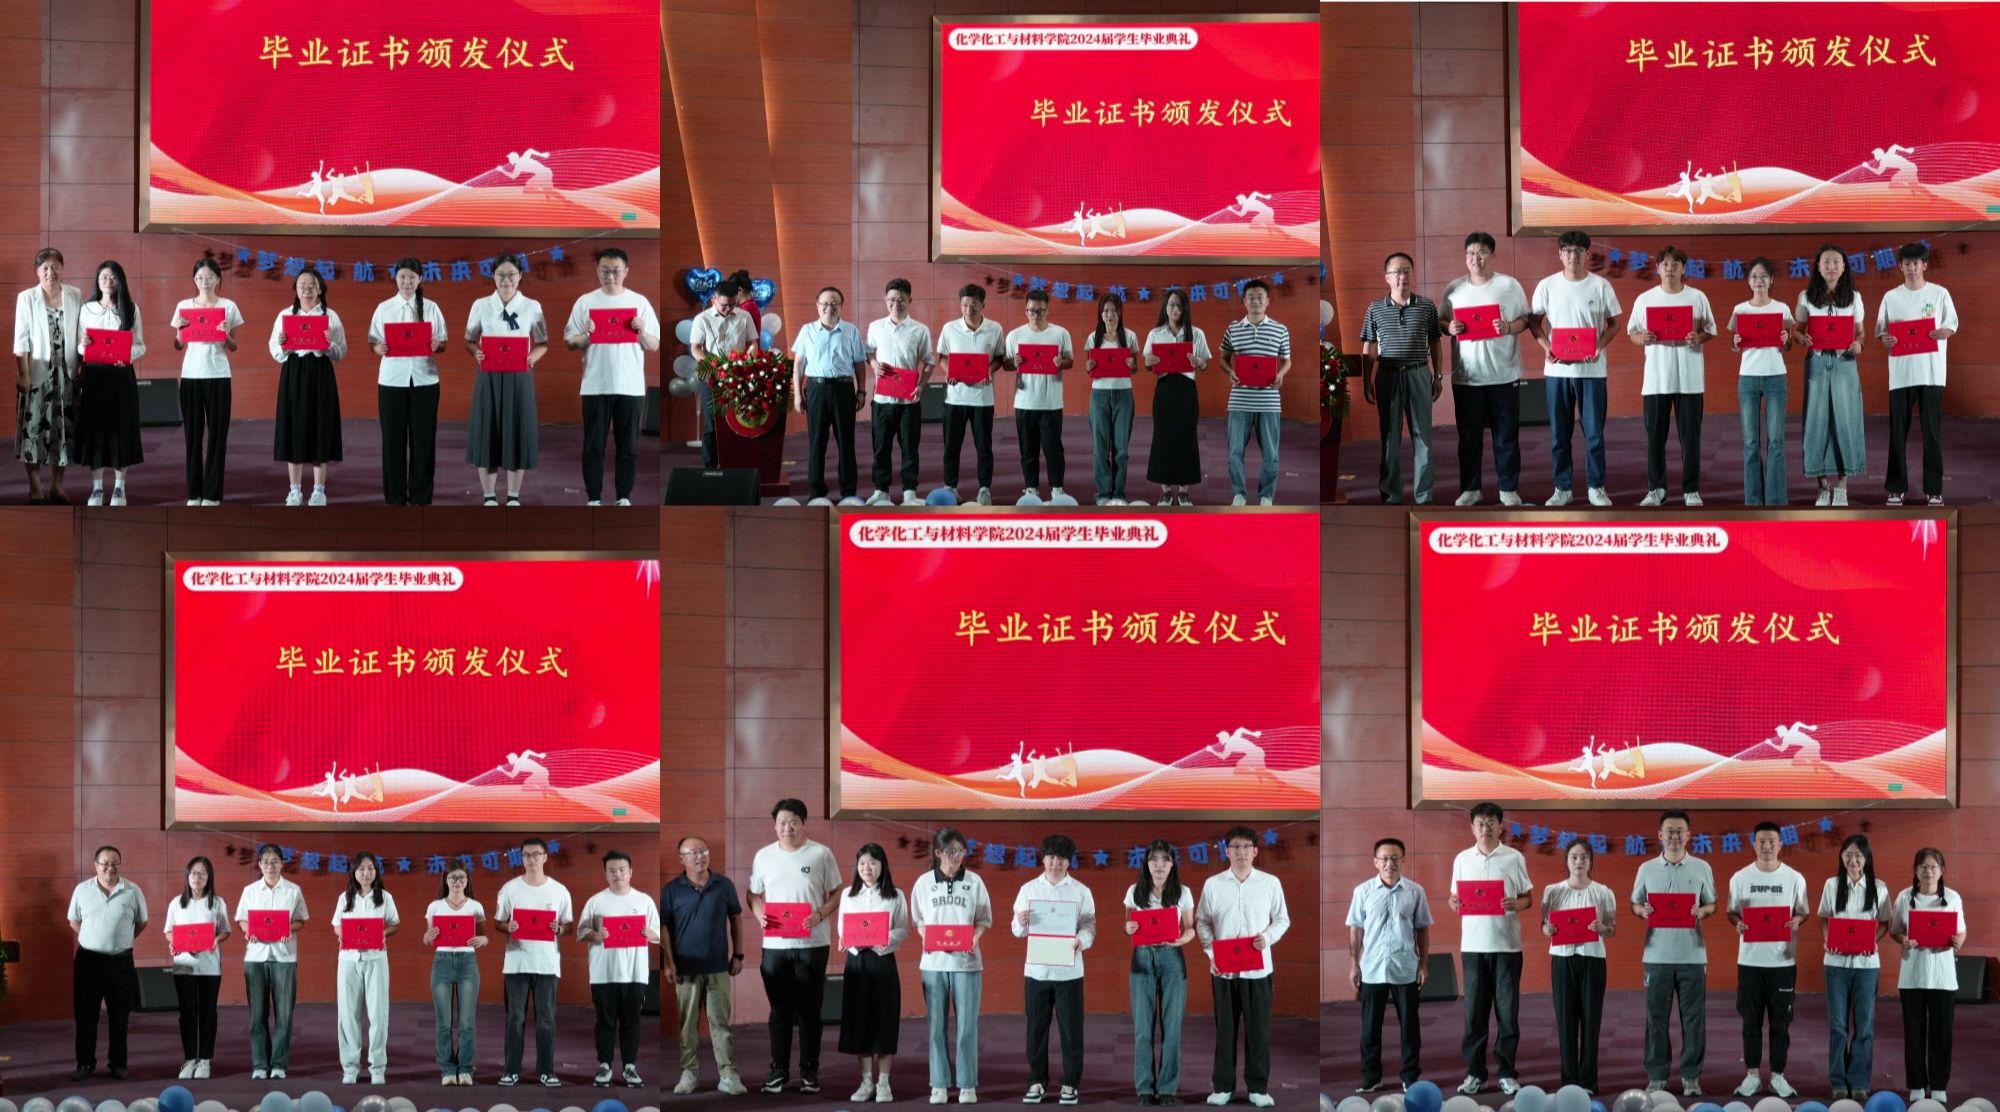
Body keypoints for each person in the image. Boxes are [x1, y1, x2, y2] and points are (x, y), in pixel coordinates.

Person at [749, 798, 844, 1095]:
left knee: (809, 1011)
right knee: (779, 1010)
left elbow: (837, 892)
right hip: (775, 946)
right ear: (774, 825)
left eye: (792, 822)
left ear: (803, 823)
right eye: (781, 822)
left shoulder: (821, 853)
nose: (786, 828)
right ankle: (778, 1071)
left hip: (813, 945)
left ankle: (809, 1072)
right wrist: (760, 915)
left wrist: (819, 915)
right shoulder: (763, 856)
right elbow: (752, 894)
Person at [1197, 827, 1290, 1108]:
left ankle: (1258, 1088)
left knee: (1258, 1030)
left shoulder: (1270, 883)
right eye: (1235, 847)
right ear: (1226, 851)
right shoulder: (1213, 884)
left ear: (1255, 851)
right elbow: (1202, 922)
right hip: (1223, 970)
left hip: (1258, 971)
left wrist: (1268, 938)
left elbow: (1282, 919)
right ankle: (1223, 1087)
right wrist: (1212, 954)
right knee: (1224, 1030)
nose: (1241, 852)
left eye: (1246, 847)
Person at [1529, 231, 1622, 507]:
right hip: (1557, 373)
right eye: (1568, 251)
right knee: (1559, 435)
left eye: (1579, 251)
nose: (1573, 256)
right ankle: (1562, 488)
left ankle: (1596, 487)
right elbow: (1534, 322)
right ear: (1560, 254)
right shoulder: (1547, 286)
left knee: (1594, 434)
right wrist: (1546, 347)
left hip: (1592, 372)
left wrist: (1599, 347)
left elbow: (1615, 324)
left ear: (1587, 254)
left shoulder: (1601, 286)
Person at [1447, 803, 1533, 1097]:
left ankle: (1507, 1073)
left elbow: (1528, 898)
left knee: (1507, 1014)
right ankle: (1476, 1073)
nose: (1485, 828)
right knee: (1474, 1014)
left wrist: (1515, 904)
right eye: (1480, 824)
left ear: (1500, 826)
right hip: (1472, 946)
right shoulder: (1462, 859)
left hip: (1507, 946)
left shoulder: (1514, 858)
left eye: (1491, 823)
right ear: (1472, 828)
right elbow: (1454, 897)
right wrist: (1453, 903)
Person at [564, 247, 661, 505]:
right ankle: (594, 498)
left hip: (630, 387)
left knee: (628, 446)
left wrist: (641, 330)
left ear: (626, 271)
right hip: (594, 385)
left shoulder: (640, 302)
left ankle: (623, 496)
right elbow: (570, 342)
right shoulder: (585, 302)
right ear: (597, 271)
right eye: (605, 271)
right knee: (593, 446)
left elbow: (653, 345)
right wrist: (586, 334)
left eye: (616, 271)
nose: (610, 276)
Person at [1631, 809, 1718, 1097]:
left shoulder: (1702, 867)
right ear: (1660, 835)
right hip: (1656, 956)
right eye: (1669, 831)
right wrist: (1642, 911)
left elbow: (1712, 904)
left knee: (1693, 1018)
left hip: (1692, 955)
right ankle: (1657, 1075)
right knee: (1656, 1018)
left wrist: (1701, 911)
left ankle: (1691, 1075)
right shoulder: (1646, 869)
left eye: (1680, 831)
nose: (1674, 836)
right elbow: (1634, 904)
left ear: (1688, 835)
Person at [1441, 232, 1532, 506]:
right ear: (1465, 257)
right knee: (1469, 437)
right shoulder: (1454, 289)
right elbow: (1441, 322)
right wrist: (1449, 327)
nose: (1475, 259)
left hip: (1504, 374)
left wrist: (1508, 327)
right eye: (1471, 253)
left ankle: (1508, 489)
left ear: (1492, 255)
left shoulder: (1509, 285)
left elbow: (1525, 320)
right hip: (1467, 378)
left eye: (1481, 253)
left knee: (1506, 436)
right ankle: (1471, 489)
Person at [1626, 246, 1716, 507]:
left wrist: (1698, 337)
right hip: (1656, 380)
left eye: (1675, 264)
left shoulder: (1697, 297)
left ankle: (1691, 490)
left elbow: (1710, 330)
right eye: (1665, 264)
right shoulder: (1645, 299)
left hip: (1690, 379)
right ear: (1657, 268)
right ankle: (1656, 489)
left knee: (1691, 439)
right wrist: (1642, 337)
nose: (1670, 269)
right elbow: (1632, 333)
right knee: (1655, 438)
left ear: (1684, 268)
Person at [1726, 822, 1810, 1099]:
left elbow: (1803, 911)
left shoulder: (1795, 878)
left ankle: (1778, 1076)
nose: (1766, 846)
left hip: (1782, 962)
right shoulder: (1740, 877)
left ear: (1780, 844)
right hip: (1750, 961)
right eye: (1761, 841)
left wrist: (1797, 920)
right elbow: (1732, 912)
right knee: (1750, 1020)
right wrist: (1737, 923)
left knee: (1780, 1022)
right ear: (1754, 844)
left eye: (1772, 841)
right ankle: (1752, 1075)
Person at [1011, 833, 1095, 1105]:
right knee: (1036, 1030)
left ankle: (1070, 1083)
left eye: (1061, 858)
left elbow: (1089, 925)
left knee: (1072, 1031)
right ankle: (1036, 1081)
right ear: (1043, 859)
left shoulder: (1081, 891)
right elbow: (1016, 930)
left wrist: (1081, 940)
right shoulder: (1028, 890)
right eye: (1051, 857)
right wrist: (1021, 921)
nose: (1055, 863)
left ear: (1069, 861)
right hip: (1037, 971)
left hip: (1069, 972)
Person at [910, 827, 991, 1104]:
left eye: (960, 851)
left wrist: (975, 938)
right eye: (950, 852)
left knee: (967, 1026)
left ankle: (967, 1084)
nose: (956, 856)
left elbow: (983, 919)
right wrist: (927, 937)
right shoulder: (923, 883)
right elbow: (919, 920)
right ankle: (939, 1084)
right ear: (938, 853)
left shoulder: (975, 881)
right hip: (934, 963)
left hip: (967, 963)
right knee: (936, 1026)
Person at [663, 836, 748, 1096]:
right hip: (685, 969)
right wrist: (669, 963)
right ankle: (689, 1074)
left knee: (721, 1023)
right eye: (693, 852)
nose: (700, 856)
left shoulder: (724, 885)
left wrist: (738, 955)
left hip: (718, 967)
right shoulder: (671, 890)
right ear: (682, 859)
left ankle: (728, 1074)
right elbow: (664, 928)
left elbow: (736, 919)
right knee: (687, 1025)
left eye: (703, 851)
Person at [1877, 241, 1959, 505]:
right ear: (1900, 266)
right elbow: (1881, 332)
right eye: (1907, 263)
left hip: (1931, 374)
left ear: (1925, 265)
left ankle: (1934, 489)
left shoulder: (1939, 294)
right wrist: (1885, 339)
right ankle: (1895, 487)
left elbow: (1952, 325)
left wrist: (1945, 332)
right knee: (1897, 434)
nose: (1911, 268)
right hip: (1901, 375)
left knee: (1932, 433)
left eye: (1916, 263)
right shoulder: (1891, 297)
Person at [1347, 837, 1431, 1094]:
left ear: (1403, 860)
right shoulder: (1362, 891)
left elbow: (1422, 929)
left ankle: (1410, 1077)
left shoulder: (1416, 891)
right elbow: (1355, 930)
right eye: (1384, 858)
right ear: (1375, 862)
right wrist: (1354, 964)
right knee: (1370, 1028)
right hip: (1372, 968)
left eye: (1395, 858)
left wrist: (1423, 964)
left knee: (1410, 1027)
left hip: (1405, 967)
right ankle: (1371, 1077)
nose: (1389, 863)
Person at [463, 253, 548, 505]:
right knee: (487, 430)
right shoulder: (481, 305)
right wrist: (475, 352)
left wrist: (532, 357)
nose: (506, 279)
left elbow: (543, 342)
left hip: (519, 377)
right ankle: (489, 495)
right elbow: (469, 340)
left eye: (511, 274)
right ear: (493, 276)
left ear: (520, 276)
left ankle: (513, 495)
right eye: (501, 274)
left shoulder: (532, 306)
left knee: (517, 430)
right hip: (488, 376)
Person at [1360, 252, 1444, 506]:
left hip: (1419, 374)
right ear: (1387, 277)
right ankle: (1390, 496)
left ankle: (1424, 496)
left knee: (1423, 439)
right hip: (1387, 376)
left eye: (1406, 270)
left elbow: (1436, 342)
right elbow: (1369, 347)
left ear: (1412, 274)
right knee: (1390, 439)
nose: (1402, 276)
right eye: (1396, 271)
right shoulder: (1375, 308)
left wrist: (1438, 376)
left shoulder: (1427, 306)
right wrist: (1366, 381)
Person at [496, 836, 575, 1087]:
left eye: (536, 854)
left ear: (545, 857)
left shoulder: (559, 890)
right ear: (521, 858)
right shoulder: (510, 888)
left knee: (546, 1021)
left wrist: (559, 929)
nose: (531, 859)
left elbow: (569, 925)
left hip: (547, 964)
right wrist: (508, 926)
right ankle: (511, 1070)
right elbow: (498, 922)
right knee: (514, 1020)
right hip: (516, 963)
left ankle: (547, 1070)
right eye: (527, 855)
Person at [1889, 847, 1967, 1104]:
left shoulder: (1953, 898)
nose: (1928, 871)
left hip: (1943, 977)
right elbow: (1895, 930)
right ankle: (1916, 1083)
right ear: (1916, 870)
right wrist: (1904, 940)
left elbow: (1961, 930)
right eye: (1923, 866)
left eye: (1933, 867)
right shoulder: (1904, 897)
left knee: (1942, 1034)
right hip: (1912, 975)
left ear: (1941, 871)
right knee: (1914, 1033)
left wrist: (1959, 941)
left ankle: (1940, 1084)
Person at [367, 258, 447, 505]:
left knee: (424, 442)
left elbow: (443, 342)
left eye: (412, 277)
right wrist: (378, 348)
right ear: (396, 278)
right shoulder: (384, 308)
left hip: (425, 381)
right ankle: (395, 496)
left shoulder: (431, 308)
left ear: (420, 279)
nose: (407, 282)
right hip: (392, 381)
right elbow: (373, 342)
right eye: (402, 276)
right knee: (393, 442)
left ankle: (421, 497)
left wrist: (436, 345)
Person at [580, 849, 662, 1088]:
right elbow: (582, 932)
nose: (618, 874)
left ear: (631, 872)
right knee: (604, 1021)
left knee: (631, 1021)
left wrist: (649, 933)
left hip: (635, 974)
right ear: (605, 874)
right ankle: (604, 1065)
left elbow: (657, 933)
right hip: (603, 973)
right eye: (612, 870)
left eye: (622, 870)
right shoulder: (595, 902)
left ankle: (629, 1067)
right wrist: (596, 934)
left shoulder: (644, 901)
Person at [1793, 245, 1867, 507]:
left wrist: (1859, 344)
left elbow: (1861, 333)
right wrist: (1802, 338)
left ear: (1844, 267)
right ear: (1818, 266)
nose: (1831, 266)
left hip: (1844, 361)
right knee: (1817, 422)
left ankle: (1842, 487)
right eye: (1826, 262)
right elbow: (1796, 330)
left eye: (1836, 262)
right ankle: (1823, 487)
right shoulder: (1806, 296)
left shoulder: (1854, 297)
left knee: (1846, 421)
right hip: (1817, 361)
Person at [67, 845, 148, 1082]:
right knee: (85, 1016)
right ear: (96, 865)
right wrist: (94, 939)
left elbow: (142, 922)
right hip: (88, 962)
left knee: (119, 1016)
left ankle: (118, 1065)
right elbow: (73, 921)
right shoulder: (82, 890)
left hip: (120, 962)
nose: (110, 868)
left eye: (115, 863)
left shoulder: (132, 890)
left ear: (120, 865)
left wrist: (120, 940)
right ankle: (85, 1063)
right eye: (105, 863)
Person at [1541, 841, 1616, 1094]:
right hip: (1562, 959)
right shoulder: (1553, 891)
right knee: (1565, 1021)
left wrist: (1602, 928)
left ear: (1591, 861)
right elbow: (1544, 925)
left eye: (1584, 857)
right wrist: (1548, 929)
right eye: (1574, 857)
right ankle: (1569, 1081)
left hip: (1593, 959)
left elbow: (1611, 928)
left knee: (1591, 1021)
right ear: (1567, 861)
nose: (1579, 862)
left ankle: (1588, 1081)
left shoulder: (1603, 892)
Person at [1819, 834, 1890, 1102]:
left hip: (1866, 966)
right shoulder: (1832, 885)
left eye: (1858, 855)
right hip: (1836, 965)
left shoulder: (1879, 887)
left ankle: (1859, 1081)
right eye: (1848, 855)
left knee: (1864, 1027)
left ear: (1866, 858)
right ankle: (1838, 1082)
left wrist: (1873, 941)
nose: (1853, 860)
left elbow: (1885, 922)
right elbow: (1824, 918)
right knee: (1838, 1026)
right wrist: (1828, 939)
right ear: (1841, 857)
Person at [168, 259, 245, 505]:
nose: (205, 281)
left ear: (218, 280)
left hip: (219, 376)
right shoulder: (184, 306)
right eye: (200, 277)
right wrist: (180, 332)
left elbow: (234, 346)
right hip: (191, 376)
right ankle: (194, 493)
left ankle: (212, 494)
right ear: (194, 280)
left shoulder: (228, 306)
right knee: (192, 437)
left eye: (210, 277)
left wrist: (225, 334)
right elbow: (177, 345)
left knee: (217, 437)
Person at [1124, 840, 1195, 1105]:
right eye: (1154, 859)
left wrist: (1182, 938)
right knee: (1143, 1028)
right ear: (1147, 863)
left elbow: (1190, 928)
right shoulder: (1134, 891)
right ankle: (1144, 1087)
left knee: (1172, 1027)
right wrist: (1128, 929)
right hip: (1142, 957)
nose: (1159, 865)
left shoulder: (1183, 892)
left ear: (1172, 863)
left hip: (1172, 958)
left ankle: (1167, 1088)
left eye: (1165, 859)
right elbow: (1128, 926)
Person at [839, 843, 911, 1102]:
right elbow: (842, 928)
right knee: (859, 1020)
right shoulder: (848, 894)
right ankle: (866, 1082)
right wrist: (847, 939)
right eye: (862, 863)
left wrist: (887, 937)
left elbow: (903, 929)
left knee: (884, 1020)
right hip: (857, 963)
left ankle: (884, 1083)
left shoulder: (895, 895)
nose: (867, 868)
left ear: (882, 865)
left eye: (872, 863)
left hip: (883, 961)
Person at [270, 270, 346, 505]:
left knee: (320, 429)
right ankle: (294, 490)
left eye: (311, 285)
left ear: (320, 289)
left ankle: (319, 491)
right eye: (302, 284)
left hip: (321, 374)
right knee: (294, 428)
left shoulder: (330, 316)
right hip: (294, 373)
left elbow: (341, 352)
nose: (306, 289)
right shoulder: (285, 315)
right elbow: (274, 351)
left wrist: (329, 344)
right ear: (296, 289)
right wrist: (283, 346)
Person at [14, 247, 83, 503]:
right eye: (45, 268)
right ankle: (35, 485)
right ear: (37, 271)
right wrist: (23, 374)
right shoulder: (27, 298)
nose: (50, 272)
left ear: (62, 269)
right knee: (34, 430)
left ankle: (57, 485)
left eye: (55, 267)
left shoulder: (74, 295)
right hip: (37, 374)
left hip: (66, 374)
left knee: (62, 431)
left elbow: (82, 334)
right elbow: (21, 340)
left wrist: (82, 368)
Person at [74, 259, 145, 505]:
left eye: (113, 277)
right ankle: (96, 489)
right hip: (94, 377)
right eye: (104, 277)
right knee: (95, 430)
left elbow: (140, 345)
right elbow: (79, 346)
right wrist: (84, 344)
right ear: (97, 280)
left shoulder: (131, 309)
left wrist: (126, 356)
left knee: (120, 430)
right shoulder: (87, 309)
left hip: (121, 376)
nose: (108, 281)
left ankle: (119, 488)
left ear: (120, 281)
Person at [1726, 258, 1794, 506]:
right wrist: (1735, 344)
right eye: (1754, 276)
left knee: (1776, 441)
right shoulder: (1740, 310)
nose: (1759, 281)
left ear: (1771, 279)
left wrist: (1786, 339)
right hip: (1748, 378)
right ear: (1748, 281)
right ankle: (1753, 501)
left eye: (1764, 276)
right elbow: (1734, 345)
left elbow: (1788, 346)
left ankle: (1776, 500)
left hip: (1776, 376)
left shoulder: (1782, 309)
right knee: (1750, 442)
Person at [237, 843, 308, 1079]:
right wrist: (248, 930)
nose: (270, 866)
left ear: (282, 864)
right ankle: (259, 1064)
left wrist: (288, 928)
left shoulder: (293, 891)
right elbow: (242, 920)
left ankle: (278, 1064)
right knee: (257, 1015)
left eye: (275, 861)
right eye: (266, 862)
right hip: (255, 957)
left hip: (284, 957)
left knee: (284, 1015)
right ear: (259, 865)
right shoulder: (249, 891)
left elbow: (301, 920)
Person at [790, 286, 866, 505]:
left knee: (846, 443)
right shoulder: (807, 330)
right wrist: (798, 395)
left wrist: (861, 391)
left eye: (834, 304)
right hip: (816, 389)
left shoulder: (851, 331)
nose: (829, 308)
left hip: (844, 389)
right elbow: (798, 365)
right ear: (817, 306)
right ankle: (816, 492)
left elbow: (859, 363)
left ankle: (848, 491)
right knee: (816, 443)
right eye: (824, 303)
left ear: (841, 306)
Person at [330, 851, 400, 1085]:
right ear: (354, 872)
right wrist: (344, 935)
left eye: (370, 868)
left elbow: (394, 923)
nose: (366, 873)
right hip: (348, 960)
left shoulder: (385, 897)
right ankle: (350, 1067)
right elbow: (337, 926)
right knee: (348, 1014)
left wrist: (383, 933)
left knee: (378, 1014)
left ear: (376, 872)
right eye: (361, 869)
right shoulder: (344, 898)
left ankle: (377, 1067)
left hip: (376, 959)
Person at [1220, 279, 1291, 505]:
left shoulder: (1280, 329)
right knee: (1235, 452)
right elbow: (1223, 359)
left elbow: (1287, 360)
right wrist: (1230, 371)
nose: (1256, 301)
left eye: (1260, 297)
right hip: (1239, 400)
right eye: (1251, 297)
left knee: (1271, 454)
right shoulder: (1233, 329)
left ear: (1268, 301)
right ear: (1244, 301)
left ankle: (1266, 496)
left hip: (1269, 401)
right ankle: (1238, 494)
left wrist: (1281, 375)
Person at [865, 277, 934, 505]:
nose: (896, 304)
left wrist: (921, 386)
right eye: (892, 299)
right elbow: (869, 352)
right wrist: (874, 364)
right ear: (885, 300)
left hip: (908, 402)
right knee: (880, 448)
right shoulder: (875, 327)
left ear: (910, 300)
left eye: (902, 299)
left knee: (910, 448)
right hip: (882, 400)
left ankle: (909, 492)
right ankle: (881, 490)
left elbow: (929, 362)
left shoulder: (920, 330)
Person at [1003, 289, 1075, 504]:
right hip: (1024, 401)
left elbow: (1070, 361)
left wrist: (1060, 362)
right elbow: (1006, 364)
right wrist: (1014, 363)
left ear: (1047, 310)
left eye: (1040, 310)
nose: (1036, 314)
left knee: (1054, 449)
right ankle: (1031, 488)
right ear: (1026, 310)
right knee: (1028, 450)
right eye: (1032, 310)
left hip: (1051, 402)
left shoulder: (1060, 333)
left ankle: (1057, 488)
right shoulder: (1015, 335)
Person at [936, 284, 1004, 505]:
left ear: (983, 305)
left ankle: (984, 489)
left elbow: (999, 358)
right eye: (964, 305)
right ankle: (950, 487)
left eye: (973, 305)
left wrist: (988, 371)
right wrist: (949, 372)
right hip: (955, 398)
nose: (968, 310)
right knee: (951, 446)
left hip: (983, 399)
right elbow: (942, 357)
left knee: (984, 447)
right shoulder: (949, 328)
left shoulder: (995, 328)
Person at [164, 855, 230, 1080]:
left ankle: (205, 1060)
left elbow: (225, 930)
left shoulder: (217, 902)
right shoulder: (177, 903)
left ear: (209, 877)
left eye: (202, 873)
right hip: (184, 965)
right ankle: (190, 1059)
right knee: (187, 1013)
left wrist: (215, 940)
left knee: (208, 1013)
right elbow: (169, 931)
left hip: (210, 966)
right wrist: (173, 942)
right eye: (193, 873)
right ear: (187, 876)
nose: (197, 877)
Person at [1143, 287, 1210, 505]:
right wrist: (1149, 362)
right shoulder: (1155, 334)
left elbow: (1205, 365)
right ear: (1165, 307)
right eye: (1171, 305)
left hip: (1187, 390)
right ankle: (1165, 491)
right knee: (1163, 437)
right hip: (1164, 389)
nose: (1175, 309)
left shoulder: (1196, 333)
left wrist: (1199, 362)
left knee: (1186, 437)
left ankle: (1183, 491)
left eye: (1179, 306)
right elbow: (1147, 363)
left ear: (1184, 309)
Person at [424, 863, 489, 1086]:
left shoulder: (476, 906)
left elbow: (483, 937)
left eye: (461, 877)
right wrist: (427, 937)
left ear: (467, 880)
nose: (457, 881)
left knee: (467, 1022)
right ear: (446, 880)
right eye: (453, 877)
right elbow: (428, 938)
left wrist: (483, 940)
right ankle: (447, 1068)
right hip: (442, 961)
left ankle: (465, 1067)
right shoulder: (435, 906)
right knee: (443, 1021)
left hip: (467, 962)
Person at [690, 279, 761, 469]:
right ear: (714, 299)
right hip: (711, 375)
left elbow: (753, 343)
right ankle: (710, 466)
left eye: (732, 305)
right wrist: (711, 365)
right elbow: (696, 348)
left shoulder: (745, 316)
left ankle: (736, 463)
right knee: (712, 423)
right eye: (724, 305)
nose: (728, 309)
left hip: (738, 374)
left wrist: (749, 360)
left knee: (738, 420)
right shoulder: (702, 319)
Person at [1084, 292, 1140, 504]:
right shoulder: (1093, 338)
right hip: (1099, 395)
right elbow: (1089, 368)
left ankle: (1118, 493)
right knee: (1100, 448)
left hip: (1123, 395)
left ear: (1120, 313)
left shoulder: (1130, 336)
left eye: (1114, 311)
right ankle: (1103, 493)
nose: (1110, 315)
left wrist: (1132, 365)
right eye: (1106, 311)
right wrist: (1088, 366)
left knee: (1121, 449)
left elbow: (1134, 368)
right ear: (1101, 314)